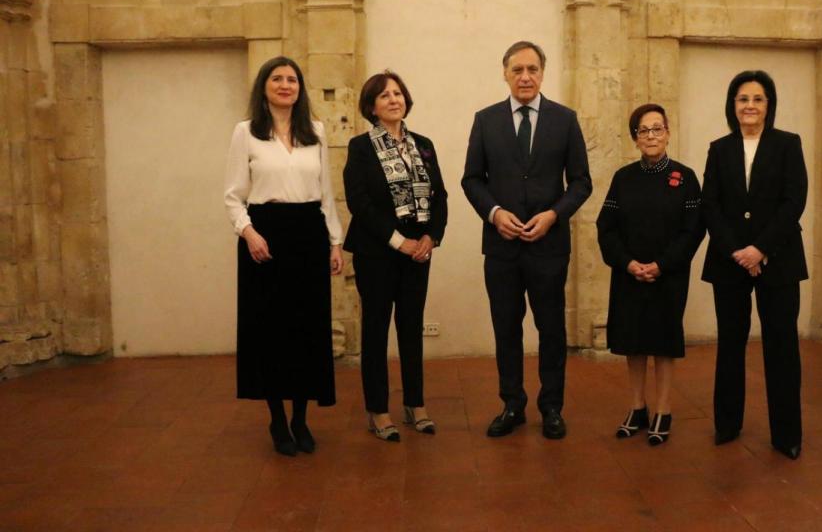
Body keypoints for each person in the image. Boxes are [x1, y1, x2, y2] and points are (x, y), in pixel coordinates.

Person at [462, 41, 592, 440]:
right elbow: (471, 179)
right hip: (501, 247)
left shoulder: (564, 120)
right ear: (504, 73)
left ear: (542, 73)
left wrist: (554, 214)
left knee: (551, 329)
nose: (525, 77)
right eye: (517, 69)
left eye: (532, 69)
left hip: (548, 247)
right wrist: (495, 213)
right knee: (506, 328)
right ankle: (512, 404)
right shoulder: (486, 120)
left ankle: (551, 407)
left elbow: (582, 182)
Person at [224, 56, 344, 457]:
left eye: (292, 79)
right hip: (266, 238)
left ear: (300, 88)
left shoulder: (316, 132)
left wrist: (335, 241)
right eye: (277, 79)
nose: (285, 85)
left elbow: (325, 192)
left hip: (308, 235)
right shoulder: (246, 133)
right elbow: (233, 195)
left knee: (307, 330)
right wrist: (249, 232)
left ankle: (301, 420)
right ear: (264, 86)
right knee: (270, 331)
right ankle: (277, 420)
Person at [701, 70, 808, 460]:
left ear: (769, 105)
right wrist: (738, 251)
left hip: (778, 261)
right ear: (733, 106)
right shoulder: (719, 148)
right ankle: (727, 425)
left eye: (758, 99)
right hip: (730, 262)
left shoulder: (787, 144)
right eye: (742, 98)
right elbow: (710, 204)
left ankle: (787, 435)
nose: (750, 105)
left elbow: (794, 201)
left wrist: (760, 249)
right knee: (730, 344)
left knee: (781, 347)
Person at [344, 71, 448, 442]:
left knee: (411, 328)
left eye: (398, 93)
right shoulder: (360, 147)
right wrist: (396, 240)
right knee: (375, 331)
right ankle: (379, 410)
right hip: (377, 252)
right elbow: (360, 202)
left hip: (418, 254)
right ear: (371, 106)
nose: (393, 99)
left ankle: (415, 405)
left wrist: (431, 237)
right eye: (384, 95)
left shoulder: (424, 144)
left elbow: (440, 197)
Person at [597, 104, 704, 446]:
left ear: (668, 133)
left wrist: (662, 264)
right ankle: (636, 407)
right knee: (633, 341)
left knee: (663, 342)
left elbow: (693, 230)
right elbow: (606, 227)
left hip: (668, 275)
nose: (651, 136)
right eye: (644, 130)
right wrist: (628, 263)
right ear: (635, 138)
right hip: (629, 274)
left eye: (657, 129)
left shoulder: (685, 178)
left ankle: (663, 410)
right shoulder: (623, 178)